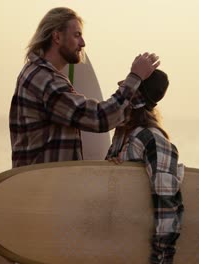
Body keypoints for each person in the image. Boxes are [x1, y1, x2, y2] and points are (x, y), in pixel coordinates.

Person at [10, 7, 160, 167]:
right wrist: (135, 77)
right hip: (42, 187)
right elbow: (100, 118)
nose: (83, 43)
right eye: (77, 35)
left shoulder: (36, 72)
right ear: (57, 36)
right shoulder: (45, 80)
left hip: (41, 184)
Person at [106, 69, 184, 264]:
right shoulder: (122, 135)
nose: (119, 89)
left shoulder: (152, 139)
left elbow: (167, 207)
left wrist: (160, 259)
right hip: (118, 246)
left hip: (145, 254)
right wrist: (111, 171)